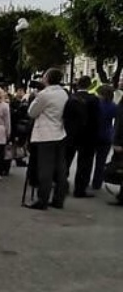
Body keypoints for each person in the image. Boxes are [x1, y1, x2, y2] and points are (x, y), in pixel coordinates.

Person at [25, 68, 69, 210]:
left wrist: (36, 96)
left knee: (45, 170)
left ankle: (42, 199)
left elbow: (32, 113)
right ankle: (58, 199)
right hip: (60, 133)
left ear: (48, 78)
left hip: (45, 135)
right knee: (61, 168)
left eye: (44, 76)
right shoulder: (63, 93)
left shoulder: (44, 95)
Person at [64, 75, 101, 198]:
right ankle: (80, 189)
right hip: (88, 136)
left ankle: (62, 184)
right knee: (85, 163)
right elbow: (96, 120)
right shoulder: (94, 100)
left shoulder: (71, 98)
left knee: (66, 160)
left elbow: (65, 117)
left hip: (71, 135)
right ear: (90, 85)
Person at [91, 85, 118, 190]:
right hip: (106, 135)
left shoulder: (96, 104)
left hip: (94, 134)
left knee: (87, 160)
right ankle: (96, 183)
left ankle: (84, 182)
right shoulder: (114, 106)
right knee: (101, 162)